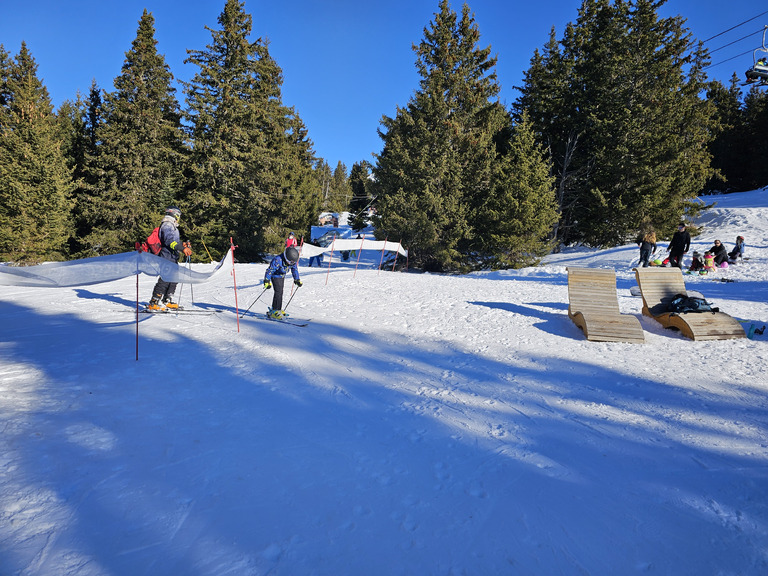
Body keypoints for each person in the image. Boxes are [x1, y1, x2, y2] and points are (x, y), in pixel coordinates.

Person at [148, 207, 192, 311]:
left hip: (172, 256)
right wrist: (182, 248)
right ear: (175, 215)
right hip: (166, 256)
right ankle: (154, 301)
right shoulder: (167, 225)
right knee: (165, 279)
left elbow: (174, 242)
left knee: (174, 278)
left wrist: (183, 244)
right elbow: (169, 242)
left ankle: (167, 300)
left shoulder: (172, 226)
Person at [263, 246, 302, 319]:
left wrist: (297, 279)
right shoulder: (278, 260)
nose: (291, 263)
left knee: (280, 292)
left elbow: (294, 270)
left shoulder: (292, 262)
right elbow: (270, 270)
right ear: (286, 257)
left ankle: (278, 309)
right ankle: (275, 311)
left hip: (282, 276)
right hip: (275, 276)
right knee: (278, 292)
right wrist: (267, 280)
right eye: (290, 262)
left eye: (293, 262)